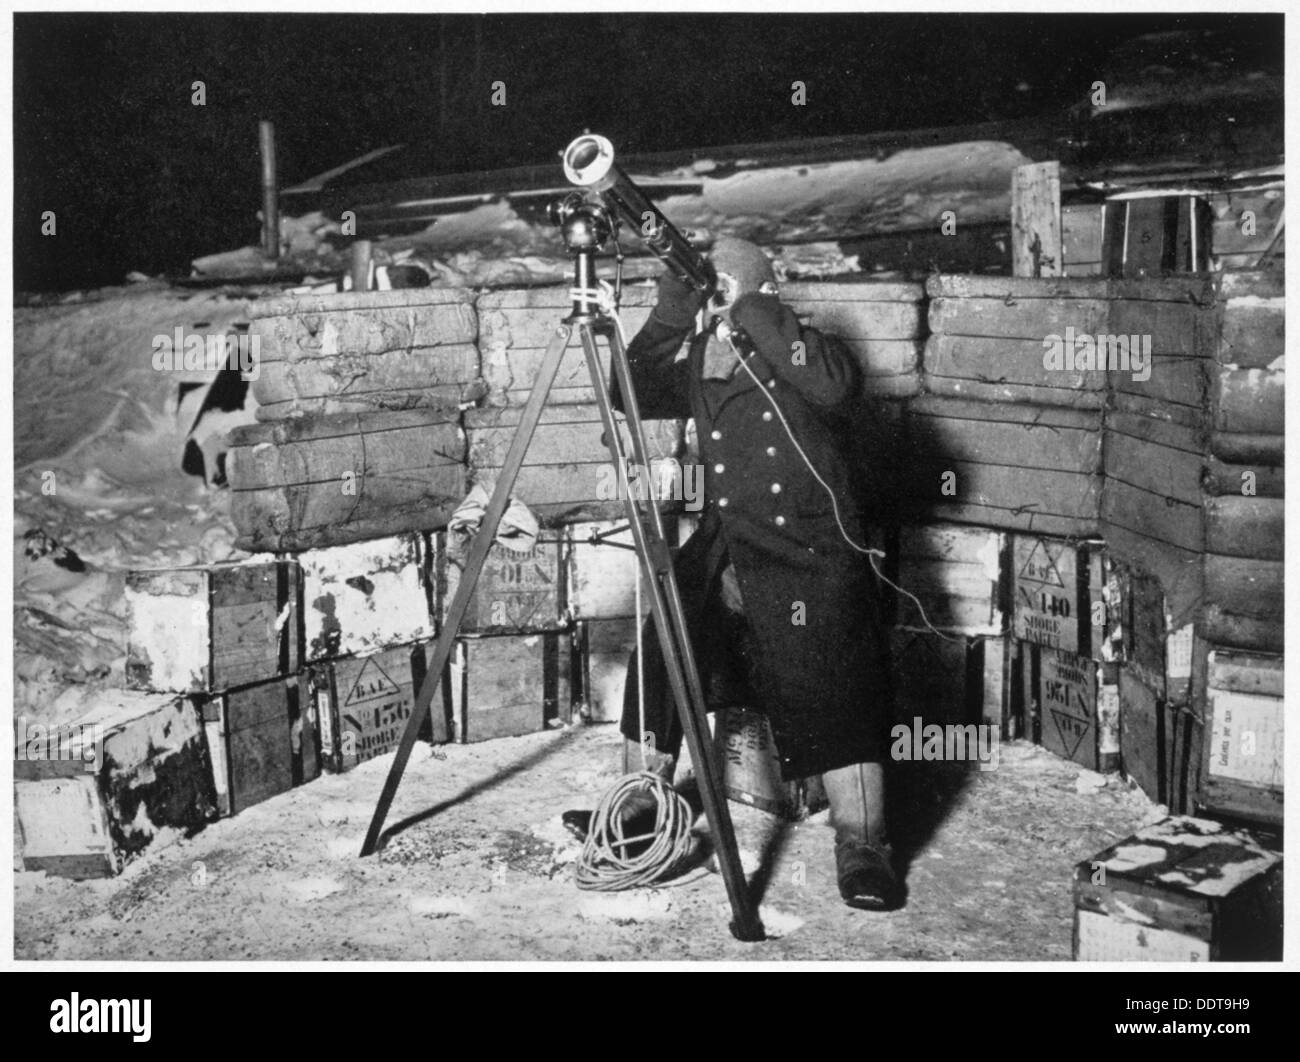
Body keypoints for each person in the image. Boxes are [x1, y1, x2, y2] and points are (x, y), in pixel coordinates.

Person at [570, 237, 901, 911]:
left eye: (723, 290)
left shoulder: (800, 348)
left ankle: (863, 846)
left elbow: (836, 388)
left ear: (756, 295)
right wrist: (669, 313)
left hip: (809, 546)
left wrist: (748, 302)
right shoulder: (704, 357)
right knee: (666, 644)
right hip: (732, 542)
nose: (715, 308)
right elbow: (625, 390)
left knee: (833, 677)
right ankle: (644, 804)